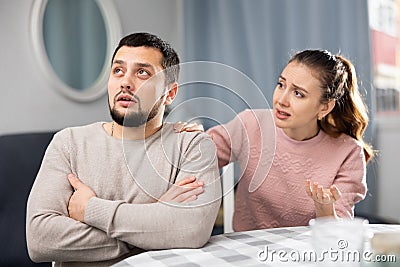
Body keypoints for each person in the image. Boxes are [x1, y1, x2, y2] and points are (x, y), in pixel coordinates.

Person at [26, 32, 221, 266]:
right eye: (118, 70)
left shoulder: (192, 144)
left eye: (142, 73)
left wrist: (91, 210)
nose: (126, 82)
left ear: (169, 93)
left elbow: (191, 229)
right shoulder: (68, 143)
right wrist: (155, 222)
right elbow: (40, 239)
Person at [175, 49, 372, 231]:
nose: (281, 100)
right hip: (248, 251)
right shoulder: (250, 124)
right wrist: (194, 139)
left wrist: (325, 210)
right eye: (281, 84)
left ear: (324, 107)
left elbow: (339, 236)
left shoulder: (348, 153)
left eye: (298, 93)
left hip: (306, 254)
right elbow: (194, 159)